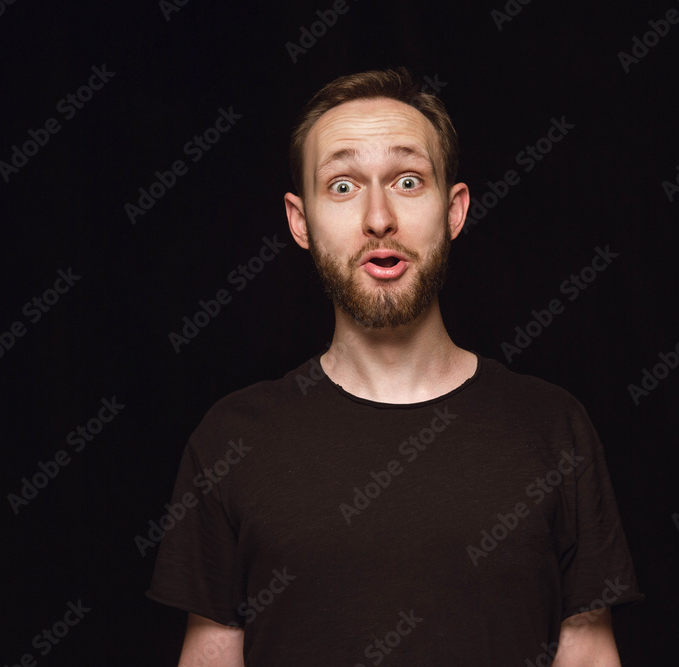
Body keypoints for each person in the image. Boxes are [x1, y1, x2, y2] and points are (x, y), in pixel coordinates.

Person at [146, 67, 643, 666]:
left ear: (454, 210)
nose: (378, 217)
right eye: (343, 186)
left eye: (408, 181)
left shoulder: (554, 428)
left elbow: (587, 653)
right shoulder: (230, 439)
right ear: (299, 221)